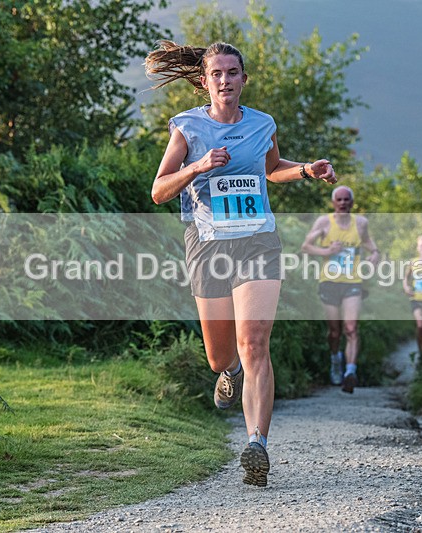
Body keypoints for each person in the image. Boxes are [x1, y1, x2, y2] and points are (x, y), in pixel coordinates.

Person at [146, 40, 337, 487]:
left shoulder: (262, 124)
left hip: (257, 241)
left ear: (243, 79)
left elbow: (271, 169)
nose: (225, 81)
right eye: (217, 74)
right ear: (204, 81)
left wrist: (308, 169)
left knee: (254, 343)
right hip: (208, 244)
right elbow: (158, 191)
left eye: (233, 73)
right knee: (220, 356)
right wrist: (197, 168)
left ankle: (257, 444)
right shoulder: (187, 128)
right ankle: (228, 373)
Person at [301, 186, 380, 393]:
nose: (343, 203)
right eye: (339, 199)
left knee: (351, 328)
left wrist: (374, 254)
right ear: (333, 202)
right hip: (329, 282)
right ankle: (336, 361)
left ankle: (350, 372)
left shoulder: (361, 224)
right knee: (335, 332)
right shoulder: (324, 222)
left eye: (347, 199)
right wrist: (327, 250)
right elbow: (306, 246)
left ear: (352, 203)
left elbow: (371, 245)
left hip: (353, 281)